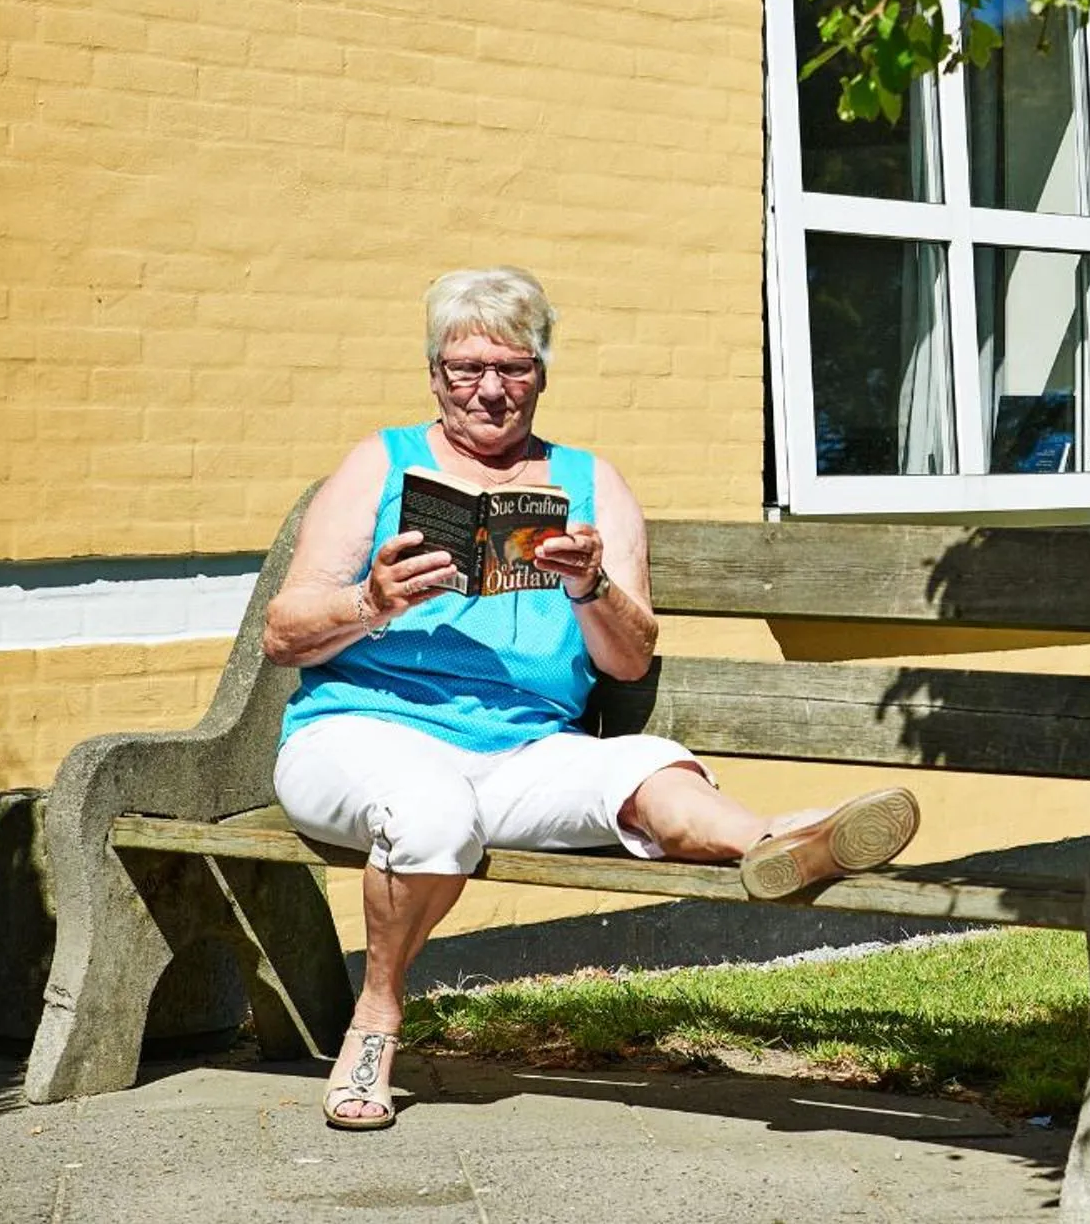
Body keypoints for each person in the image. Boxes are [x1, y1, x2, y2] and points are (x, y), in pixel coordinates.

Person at [264, 267, 919, 1131]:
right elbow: (284, 632)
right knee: (430, 812)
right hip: (363, 734)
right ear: (434, 375)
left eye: (514, 367)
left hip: (524, 750)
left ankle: (784, 843)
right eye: (468, 369)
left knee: (648, 767)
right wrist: (373, 601)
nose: (491, 390)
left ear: (541, 374)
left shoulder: (588, 480)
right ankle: (377, 1019)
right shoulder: (379, 463)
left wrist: (592, 586)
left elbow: (628, 659)